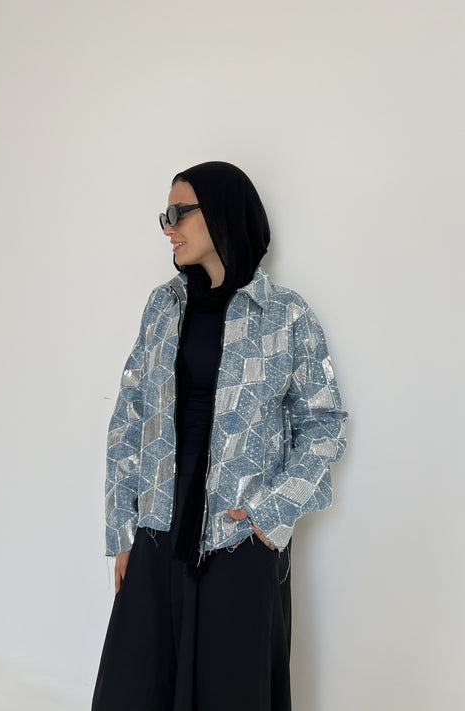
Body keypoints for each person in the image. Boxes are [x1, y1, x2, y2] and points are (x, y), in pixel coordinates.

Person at [91, 161, 349, 711]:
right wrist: (122, 529)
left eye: (178, 212)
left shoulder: (286, 315)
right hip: (159, 523)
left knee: (230, 691)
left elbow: (324, 423)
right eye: (165, 216)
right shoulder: (162, 307)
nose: (168, 227)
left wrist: (271, 514)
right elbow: (128, 416)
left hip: (239, 536)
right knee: (136, 687)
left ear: (223, 214)